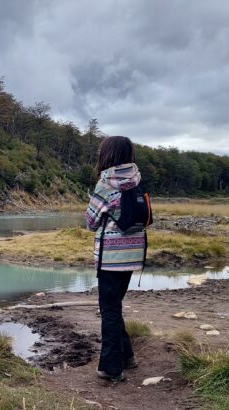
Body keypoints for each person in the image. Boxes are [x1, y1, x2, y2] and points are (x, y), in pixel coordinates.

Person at [84, 136, 146, 382]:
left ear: (107, 155)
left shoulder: (105, 184)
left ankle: (111, 368)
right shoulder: (137, 180)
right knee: (114, 307)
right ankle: (127, 357)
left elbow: (90, 222)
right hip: (133, 255)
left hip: (111, 258)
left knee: (108, 310)